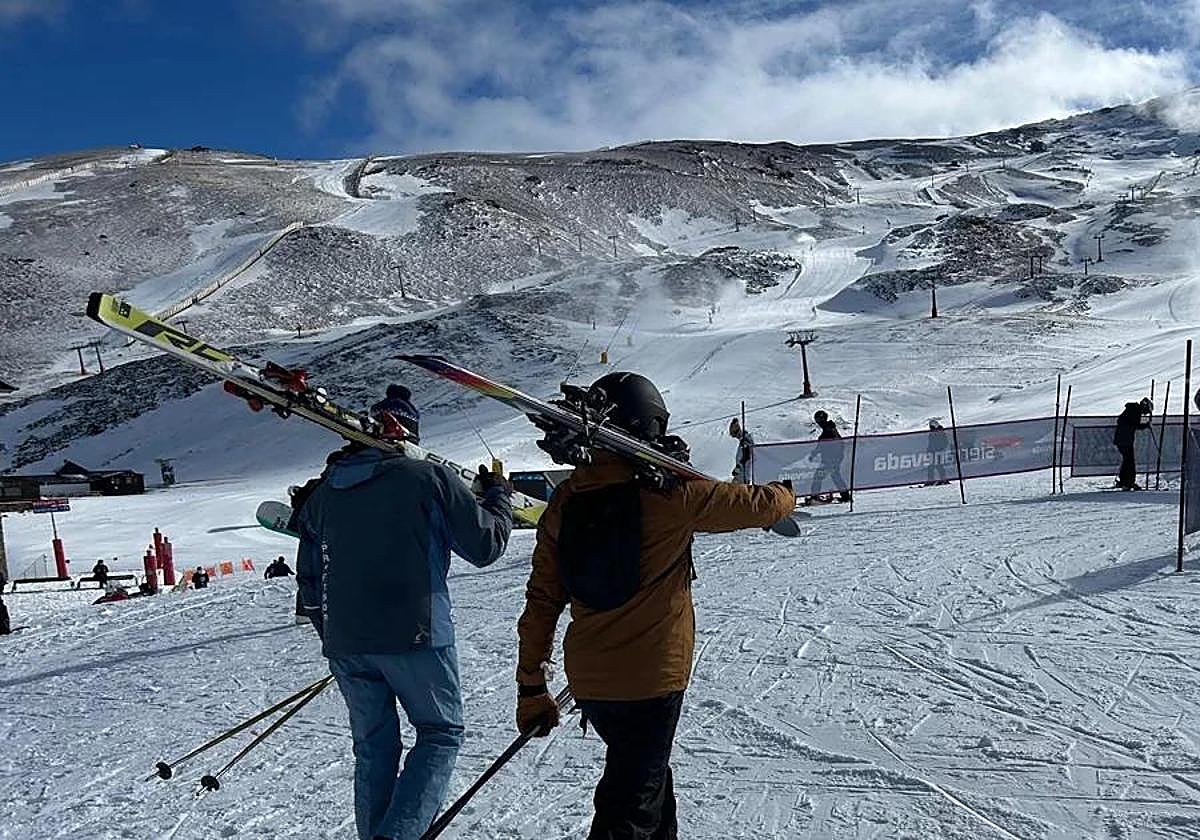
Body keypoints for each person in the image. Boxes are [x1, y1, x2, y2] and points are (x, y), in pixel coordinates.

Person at [515, 371, 796, 839]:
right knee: (631, 806)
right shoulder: (670, 496)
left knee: (647, 784)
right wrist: (786, 494)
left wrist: (530, 688)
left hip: (592, 681)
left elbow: (542, 601)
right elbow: (754, 504)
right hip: (651, 681)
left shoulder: (566, 500)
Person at [296, 389, 513, 840]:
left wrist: (332, 635)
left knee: (374, 748)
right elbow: (485, 545)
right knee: (439, 732)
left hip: (347, 641)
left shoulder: (322, 493)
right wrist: (499, 497)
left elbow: (310, 581)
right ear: (410, 434)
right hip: (415, 630)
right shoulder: (428, 476)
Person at [809, 409, 851, 503]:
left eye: (818, 421)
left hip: (830, 460)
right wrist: (814, 453)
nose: (818, 423)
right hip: (831, 459)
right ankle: (845, 496)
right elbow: (823, 445)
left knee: (818, 477)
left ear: (822, 420)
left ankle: (814, 498)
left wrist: (833, 459)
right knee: (835, 476)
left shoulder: (829, 430)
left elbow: (829, 445)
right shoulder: (828, 428)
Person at [1113, 397, 1152, 490]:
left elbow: (1131, 424)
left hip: (1123, 440)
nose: (1145, 413)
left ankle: (1124, 481)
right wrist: (1146, 425)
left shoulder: (1132, 409)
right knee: (1129, 462)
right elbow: (1135, 425)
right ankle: (1128, 482)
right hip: (1125, 440)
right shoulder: (1135, 411)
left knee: (1127, 461)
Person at [728, 417, 755, 484]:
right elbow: (741, 459)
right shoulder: (742, 442)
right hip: (740, 475)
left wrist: (739, 468)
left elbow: (747, 457)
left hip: (744, 477)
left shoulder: (746, 440)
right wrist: (737, 468)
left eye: (734, 435)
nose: (735, 437)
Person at [925, 419, 950, 486]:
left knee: (939, 466)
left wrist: (940, 449)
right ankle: (931, 480)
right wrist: (929, 450)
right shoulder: (932, 433)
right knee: (931, 466)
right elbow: (931, 443)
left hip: (938, 452)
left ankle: (943, 479)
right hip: (933, 452)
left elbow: (945, 442)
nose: (931, 428)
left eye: (932, 427)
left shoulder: (941, 432)